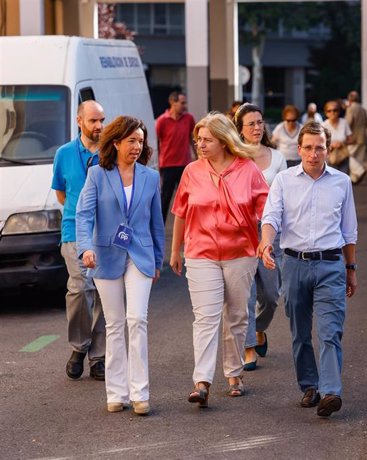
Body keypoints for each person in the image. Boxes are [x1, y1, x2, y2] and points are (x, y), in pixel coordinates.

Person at [258, 121, 358, 418]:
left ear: (329, 149)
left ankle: (330, 392)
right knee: (300, 332)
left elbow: (349, 231)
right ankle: (310, 386)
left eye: (320, 148)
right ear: (299, 149)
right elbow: (271, 217)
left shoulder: (342, 182)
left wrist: (351, 269)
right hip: (294, 265)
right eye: (309, 148)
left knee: (330, 332)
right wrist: (265, 244)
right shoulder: (284, 181)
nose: (314, 154)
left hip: (330, 265)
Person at [170, 112, 268, 407]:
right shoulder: (192, 171)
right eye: (198, 139)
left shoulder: (248, 170)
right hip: (201, 254)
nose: (200, 144)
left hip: (241, 253)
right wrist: (175, 250)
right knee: (206, 318)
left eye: (206, 140)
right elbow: (180, 212)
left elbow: (266, 210)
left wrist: (266, 242)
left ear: (223, 141)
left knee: (237, 316)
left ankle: (234, 372)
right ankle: (202, 381)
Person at [76, 115, 165, 415]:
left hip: (140, 255)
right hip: (104, 255)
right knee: (114, 324)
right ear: (115, 143)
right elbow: (84, 214)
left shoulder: (151, 177)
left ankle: (140, 393)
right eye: (131, 141)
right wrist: (86, 248)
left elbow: (156, 223)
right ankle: (117, 393)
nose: (137, 146)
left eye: (140, 141)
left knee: (137, 320)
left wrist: (158, 260)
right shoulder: (97, 175)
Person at [51, 99, 106, 381]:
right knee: (80, 289)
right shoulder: (63, 154)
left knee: (103, 294)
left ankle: (98, 356)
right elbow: (61, 194)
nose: (99, 126)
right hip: (74, 231)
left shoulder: (111, 152)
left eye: (101, 120)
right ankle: (79, 346)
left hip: (105, 233)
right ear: (79, 121)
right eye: (93, 120)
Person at [234, 103, 287, 370]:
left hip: (270, 231)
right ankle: (248, 348)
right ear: (240, 130)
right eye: (251, 124)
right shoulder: (234, 156)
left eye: (259, 122)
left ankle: (259, 328)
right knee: (246, 292)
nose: (257, 127)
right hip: (241, 231)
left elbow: (285, 197)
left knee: (271, 294)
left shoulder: (277, 158)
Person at [155, 91, 196, 224]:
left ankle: (190, 225)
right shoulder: (162, 121)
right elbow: (157, 142)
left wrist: (198, 157)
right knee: (165, 198)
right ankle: (159, 226)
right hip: (168, 165)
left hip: (185, 165)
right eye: (182, 102)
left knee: (188, 197)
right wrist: (158, 163)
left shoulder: (189, 118)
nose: (185, 105)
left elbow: (192, 139)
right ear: (173, 102)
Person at [322, 100, 353, 176]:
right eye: (329, 111)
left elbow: (351, 139)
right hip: (329, 158)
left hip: (343, 156)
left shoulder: (344, 122)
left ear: (339, 111)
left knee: (344, 179)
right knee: (331, 181)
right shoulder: (323, 125)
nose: (332, 112)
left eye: (335, 110)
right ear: (326, 113)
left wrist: (342, 143)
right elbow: (319, 143)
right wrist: (331, 145)